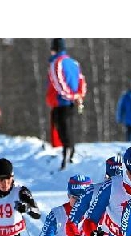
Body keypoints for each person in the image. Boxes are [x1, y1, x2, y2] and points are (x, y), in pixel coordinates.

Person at [46, 38, 87, 170]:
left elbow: (58, 83)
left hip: (60, 101)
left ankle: (67, 154)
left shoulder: (56, 63)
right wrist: (79, 95)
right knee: (69, 127)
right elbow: (82, 80)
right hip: (71, 101)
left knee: (62, 129)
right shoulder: (74, 63)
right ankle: (69, 152)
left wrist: (69, 95)